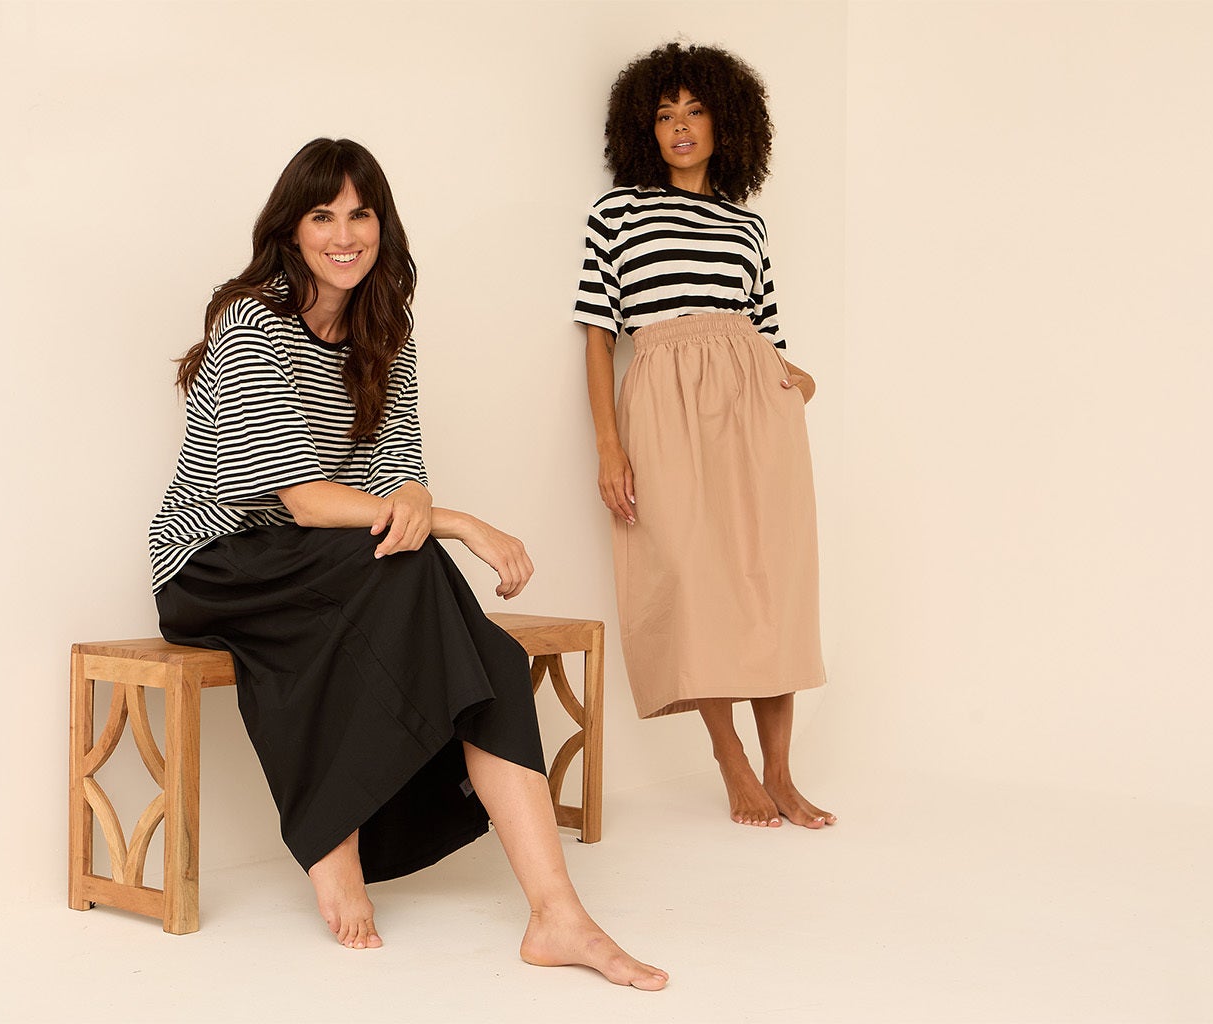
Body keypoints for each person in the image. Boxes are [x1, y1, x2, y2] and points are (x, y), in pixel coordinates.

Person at [150, 138, 666, 988]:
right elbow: (304, 498)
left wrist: (421, 501)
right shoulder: (254, 325)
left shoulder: (385, 327)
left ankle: (557, 914)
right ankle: (335, 833)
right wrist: (456, 521)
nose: (344, 234)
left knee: (472, 635)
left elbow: (398, 468)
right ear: (291, 229)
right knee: (419, 567)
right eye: (323, 215)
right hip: (216, 562)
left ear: (383, 226)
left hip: (328, 563)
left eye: (361, 214)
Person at [576, 43, 837, 830]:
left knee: (771, 580)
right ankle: (730, 759)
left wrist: (796, 384)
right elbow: (596, 333)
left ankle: (782, 773)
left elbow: (766, 332)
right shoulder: (616, 213)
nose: (680, 126)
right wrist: (609, 445)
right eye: (664, 114)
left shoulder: (747, 224)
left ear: (726, 122)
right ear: (642, 130)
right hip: (661, 399)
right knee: (693, 578)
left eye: (693, 110)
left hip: (756, 405)